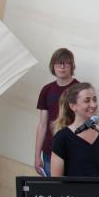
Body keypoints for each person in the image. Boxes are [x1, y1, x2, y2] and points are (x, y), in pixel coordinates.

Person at [33, 48, 79, 177]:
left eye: (66, 63)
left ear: (72, 66)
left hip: (72, 150)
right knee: (54, 191)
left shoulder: (79, 89)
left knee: (74, 192)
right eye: (59, 63)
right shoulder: (46, 90)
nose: (62, 67)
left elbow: (84, 122)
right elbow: (42, 124)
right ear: (53, 66)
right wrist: (37, 156)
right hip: (50, 150)